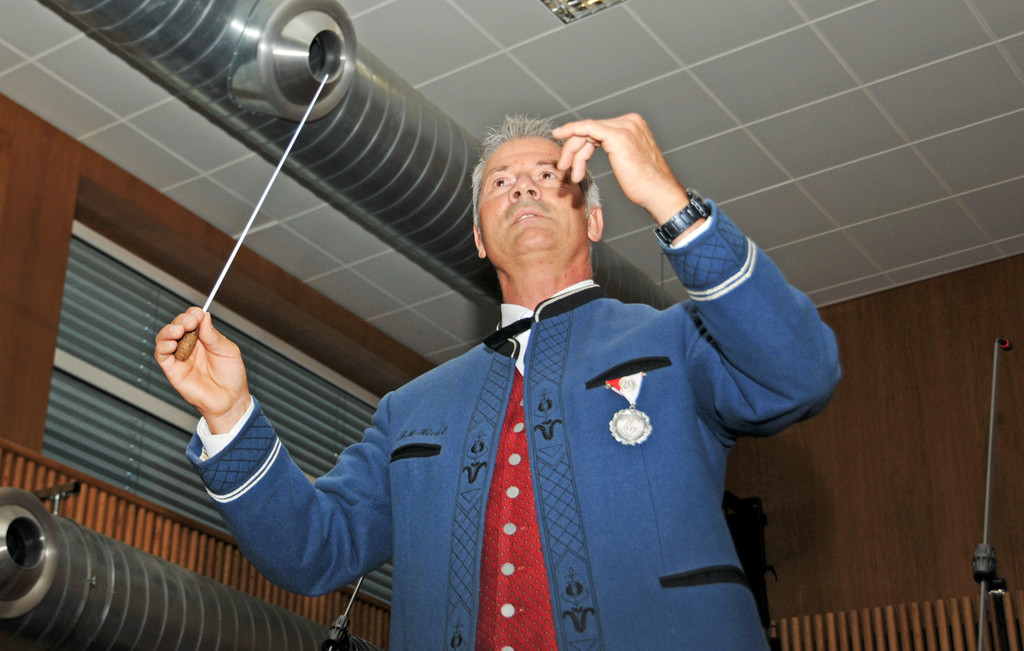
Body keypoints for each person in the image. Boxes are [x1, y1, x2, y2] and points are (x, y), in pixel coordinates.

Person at [155, 113, 840, 649]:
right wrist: (230, 416)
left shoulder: (679, 340)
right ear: (480, 239)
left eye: (550, 175)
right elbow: (314, 550)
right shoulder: (410, 408)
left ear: (595, 219)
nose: (524, 188)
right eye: (501, 184)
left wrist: (672, 203)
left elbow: (800, 375)